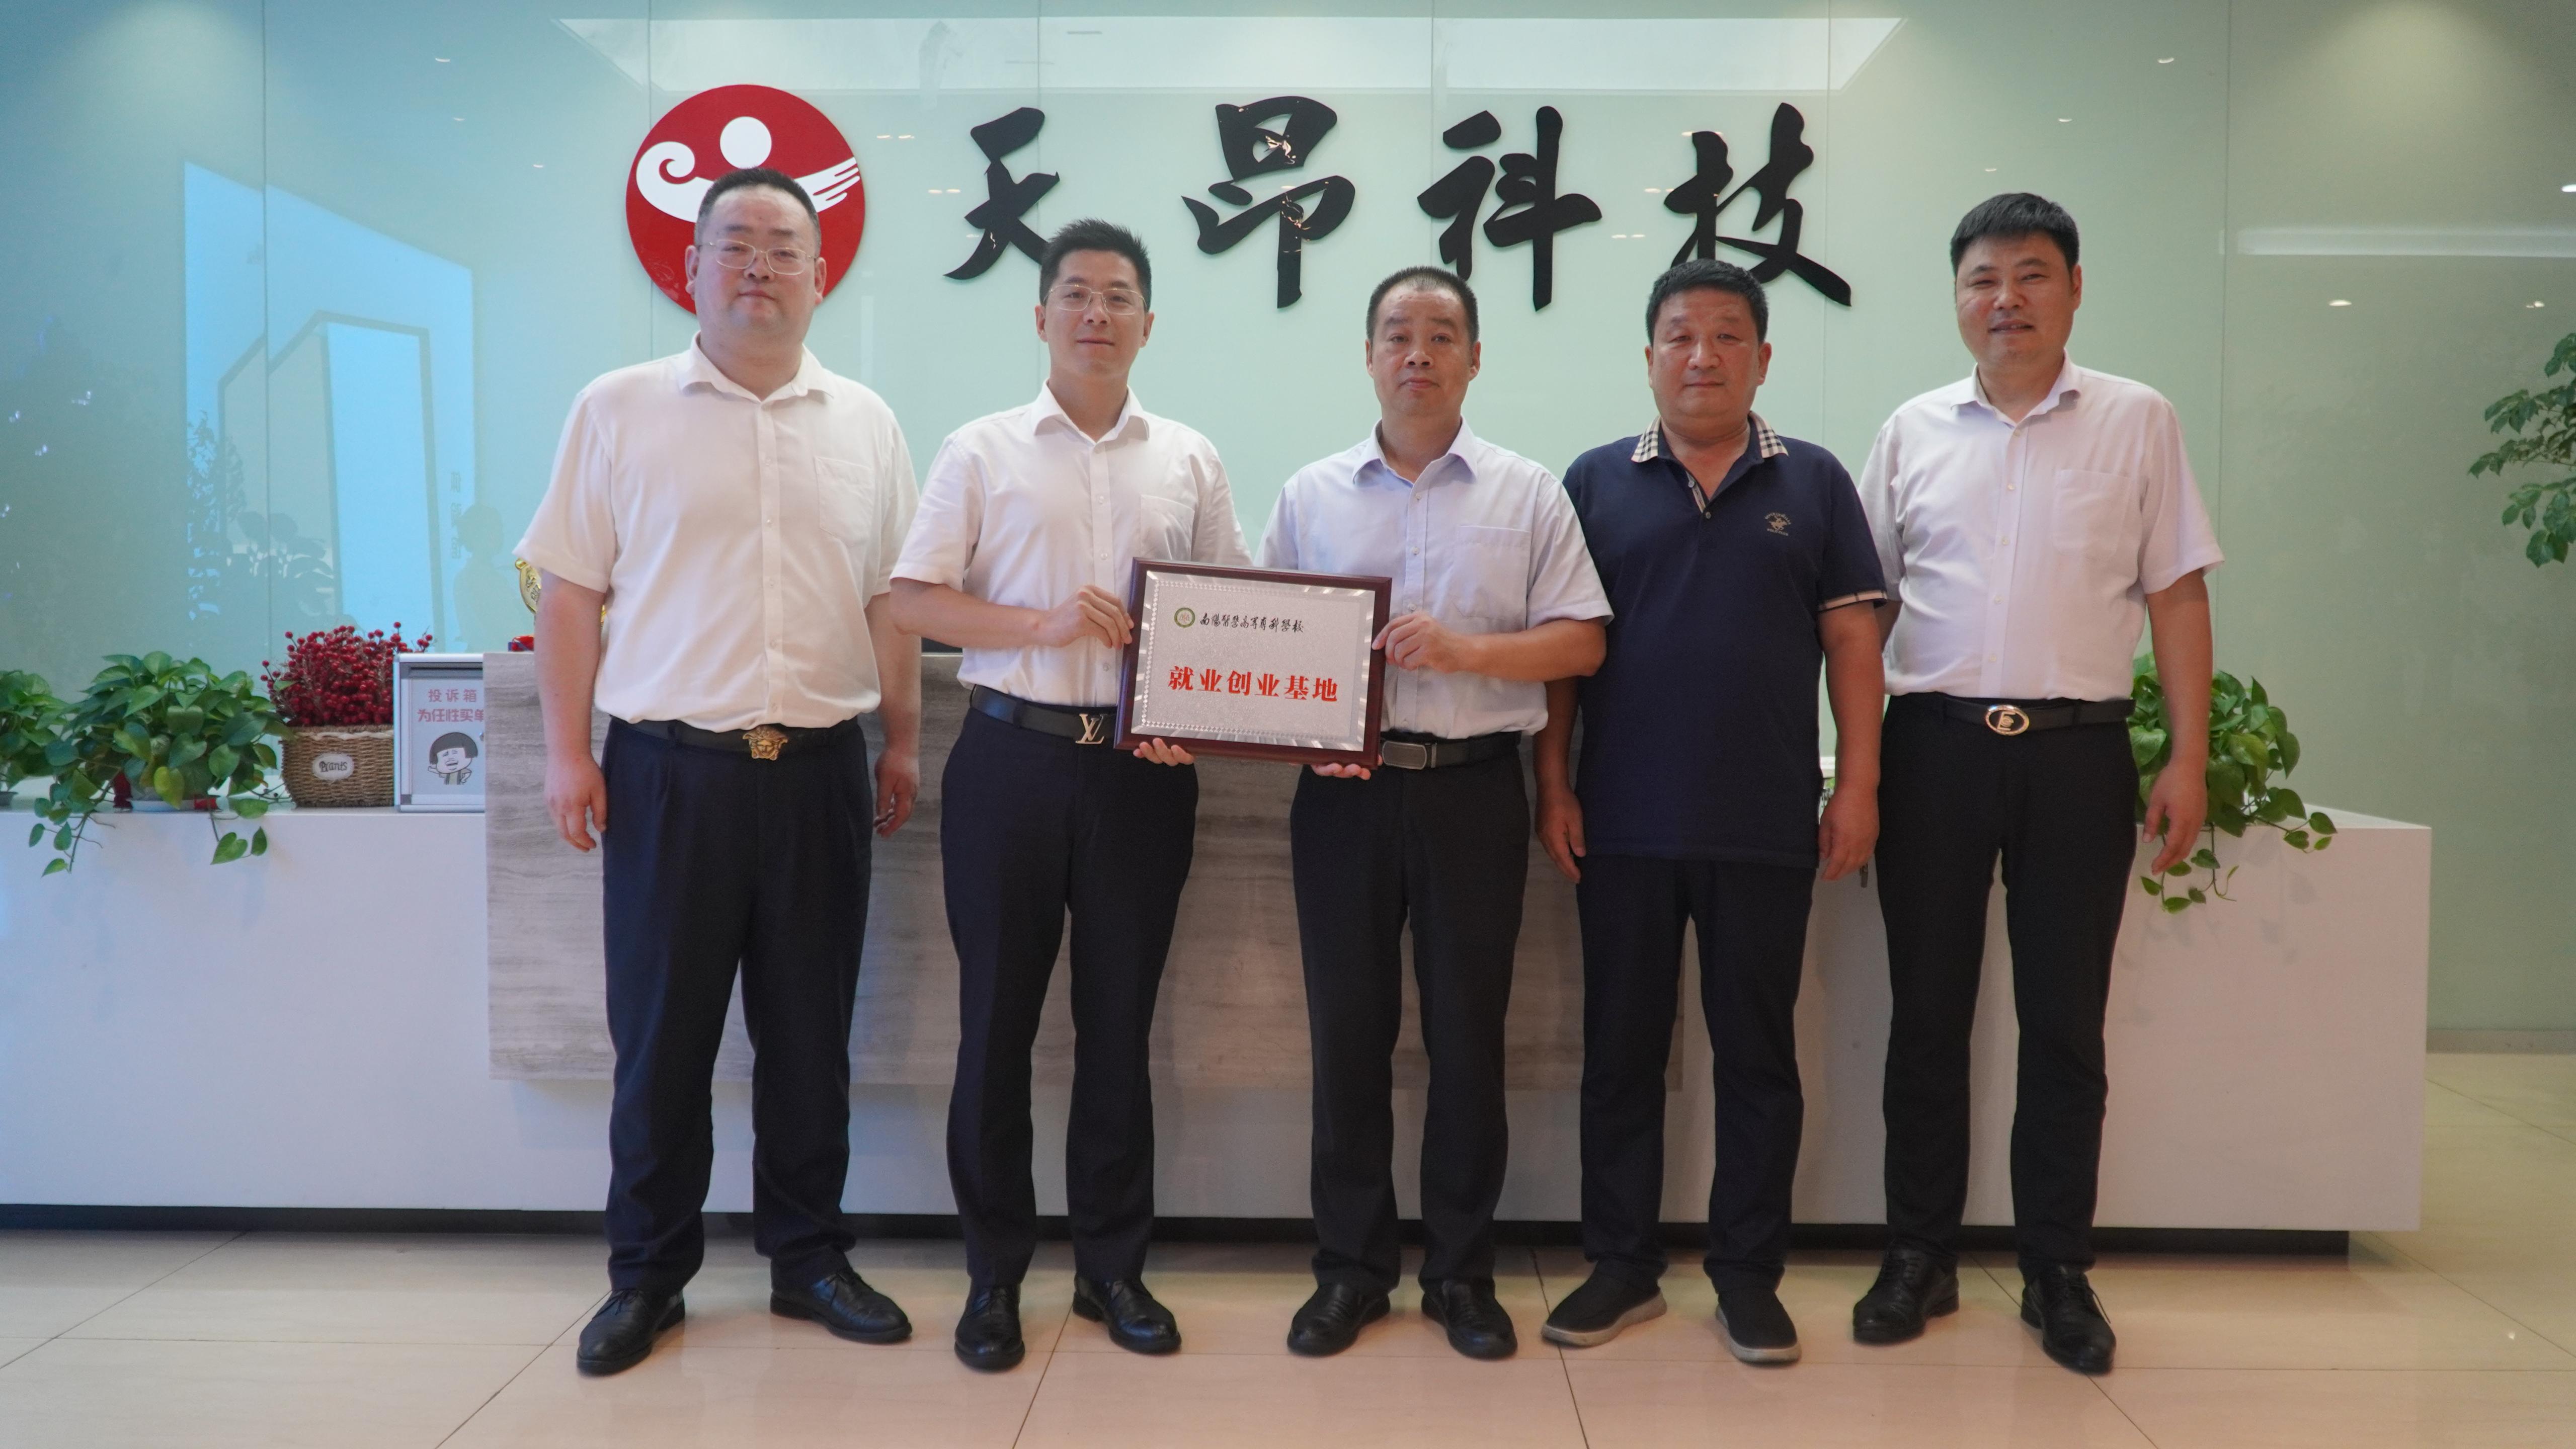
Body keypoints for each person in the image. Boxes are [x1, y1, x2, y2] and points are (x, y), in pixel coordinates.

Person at [520, 167, 924, 1376]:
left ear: (821, 275)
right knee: (663, 1039)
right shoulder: (618, 408)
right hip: (668, 776)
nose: (759, 266)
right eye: (734, 243)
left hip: (818, 772)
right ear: (690, 267)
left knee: (809, 1036)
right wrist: (567, 754)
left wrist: (903, 739)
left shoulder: (866, 422)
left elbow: (891, 600)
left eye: (783, 248)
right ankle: (647, 1276)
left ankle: (810, 1259)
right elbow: (570, 594)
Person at [1852, 193, 2219, 1375]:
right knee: (1926, 1015)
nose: (2003, 299)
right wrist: (1853, 766)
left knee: (2064, 1022)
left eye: (2029, 274)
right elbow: (1864, 614)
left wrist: (2186, 757)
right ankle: (1918, 1253)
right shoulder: (1911, 430)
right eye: (1981, 278)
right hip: (1934, 749)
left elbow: (2176, 594)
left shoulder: (2136, 420)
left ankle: (2056, 1267)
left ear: (2072, 288)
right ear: (1956, 296)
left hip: (2077, 754)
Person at [888, 219, 1251, 1372]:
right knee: (994, 1024)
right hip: (1011, 761)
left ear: (1149, 323)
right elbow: (912, 601)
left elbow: (1232, 613)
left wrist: (1196, 712)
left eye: (1120, 296)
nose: (1098, 313)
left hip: (1141, 775)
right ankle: (993, 1277)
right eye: (1078, 294)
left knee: (1119, 1025)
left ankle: (1112, 1270)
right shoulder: (980, 450)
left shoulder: (1188, 457)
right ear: (1040, 316)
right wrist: (1037, 625)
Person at [1534, 260, 1887, 1365]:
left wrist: (1858, 785)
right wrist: (1554, 784)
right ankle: (1620, 1266)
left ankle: (1747, 1276)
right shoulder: (1593, 482)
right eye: (1680, 336)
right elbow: (1564, 657)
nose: (1702, 356)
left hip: (1765, 821)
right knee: (1620, 1056)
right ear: (1648, 358)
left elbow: (1853, 643)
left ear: (1762, 358)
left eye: (1728, 336)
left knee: (1758, 1060)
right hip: (1622, 822)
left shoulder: (1814, 481)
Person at [1258, 266, 1611, 1361]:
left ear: (1474, 358)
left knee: (1467, 1039)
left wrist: (1467, 651)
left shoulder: (1528, 493)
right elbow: (1260, 643)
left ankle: (1461, 1274)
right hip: (1342, 800)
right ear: (1368, 356)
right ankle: (1350, 1272)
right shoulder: (1311, 494)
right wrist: (1307, 733)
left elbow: (1582, 641)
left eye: (1442, 334)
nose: (1418, 352)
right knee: (1346, 1039)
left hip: (1472, 791)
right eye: (1398, 334)